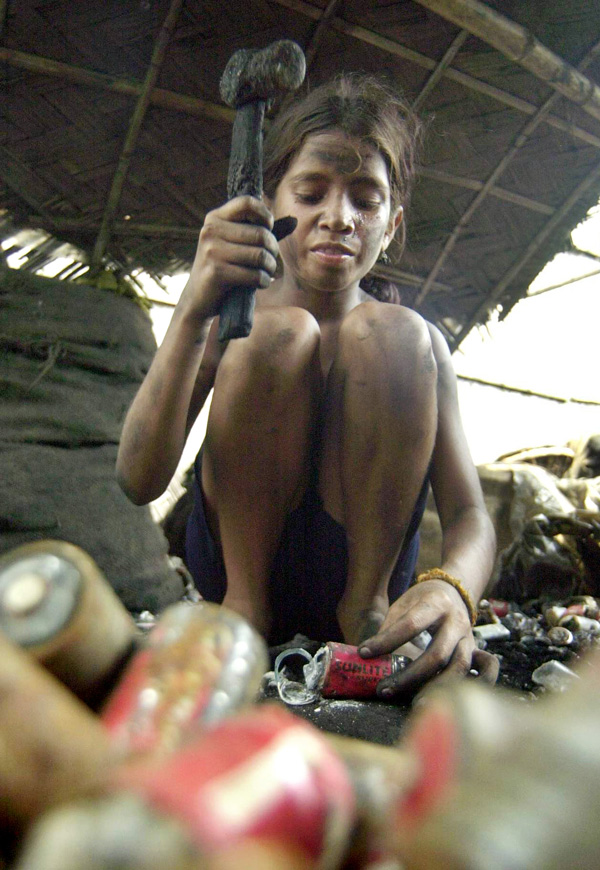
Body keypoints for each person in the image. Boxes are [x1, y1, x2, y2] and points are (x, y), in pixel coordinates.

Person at [117, 73, 499, 696]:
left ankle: (365, 610)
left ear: (392, 222)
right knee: (277, 333)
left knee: (399, 334)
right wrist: (193, 308)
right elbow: (137, 480)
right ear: (273, 206)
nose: (337, 218)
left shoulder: (420, 348)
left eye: (365, 200)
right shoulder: (227, 322)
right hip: (234, 583)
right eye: (312, 192)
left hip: (371, 604)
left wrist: (453, 587)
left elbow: (469, 514)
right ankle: (246, 610)